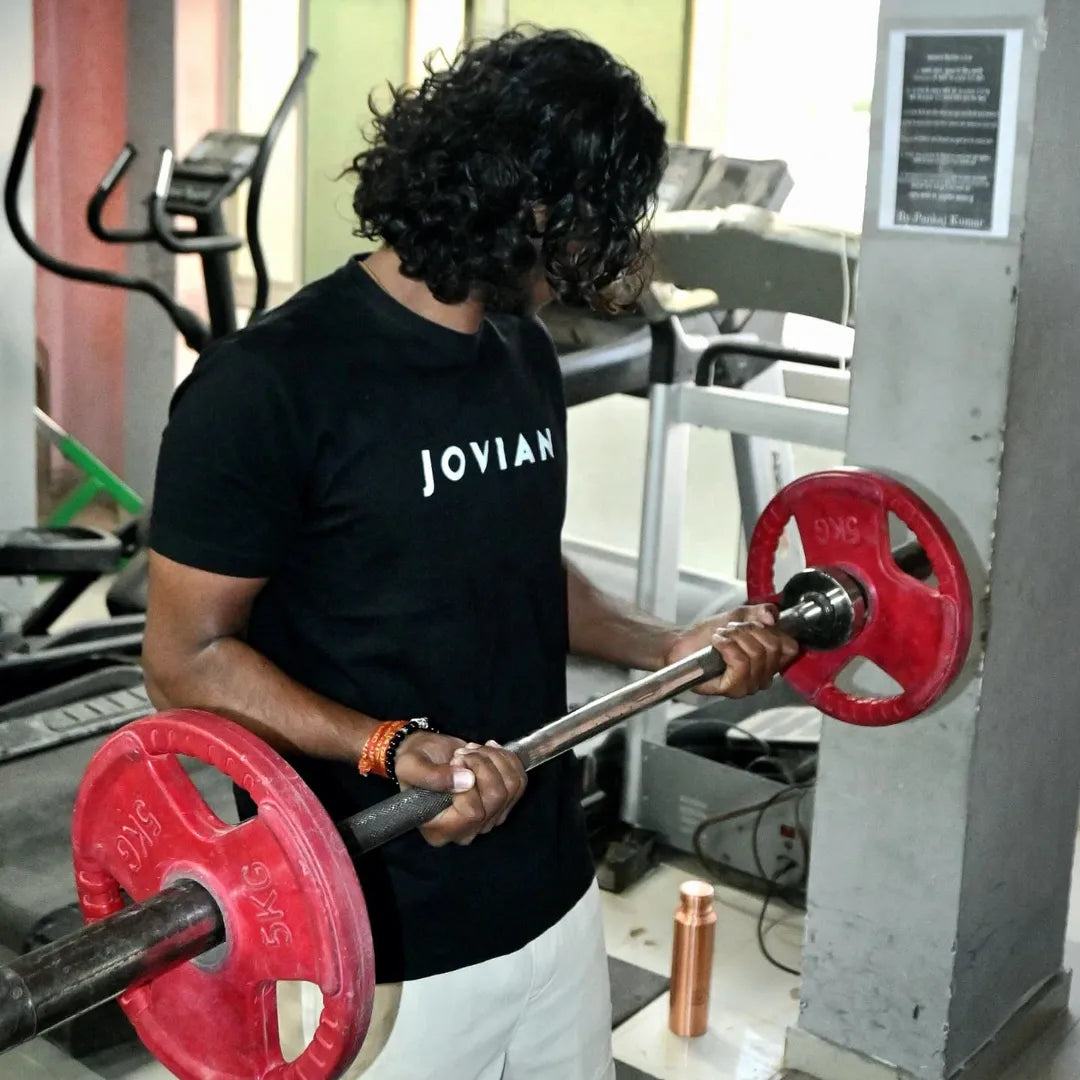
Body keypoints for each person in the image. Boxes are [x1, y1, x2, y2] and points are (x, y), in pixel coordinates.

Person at [144, 26, 799, 1080]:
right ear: (521, 202)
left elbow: (517, 565)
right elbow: (186, 659)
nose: (593, 257)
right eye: (587, 221)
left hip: (550, 887)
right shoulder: (265, 386)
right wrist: (392, 748)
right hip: (375, 926)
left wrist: (665, 644)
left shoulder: (520, 352)